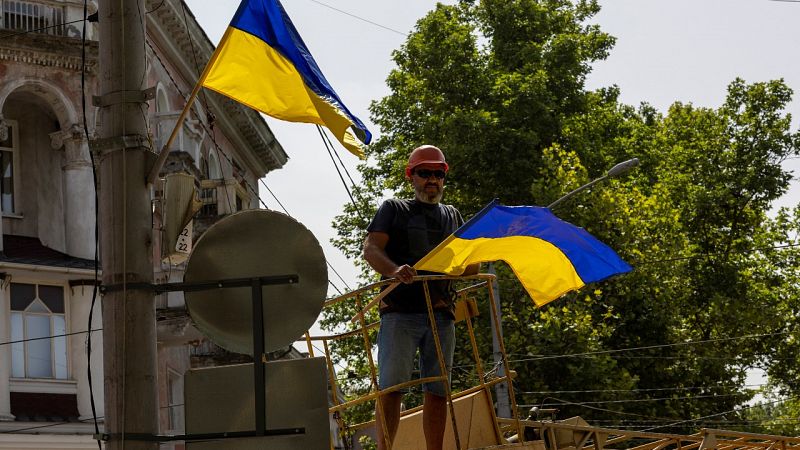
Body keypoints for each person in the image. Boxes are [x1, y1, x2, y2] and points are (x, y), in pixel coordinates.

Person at [363, 145, 479, 450]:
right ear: (411, 176)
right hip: (400, 313)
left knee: (438, 390)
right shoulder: (394, 209)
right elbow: (371, 249)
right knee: (392, 388)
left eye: (438, 174)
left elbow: (467, 263)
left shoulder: (452, 215)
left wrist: (470, 264)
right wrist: (393, 270)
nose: (432, 180)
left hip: (441, 313)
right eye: (425, 173)